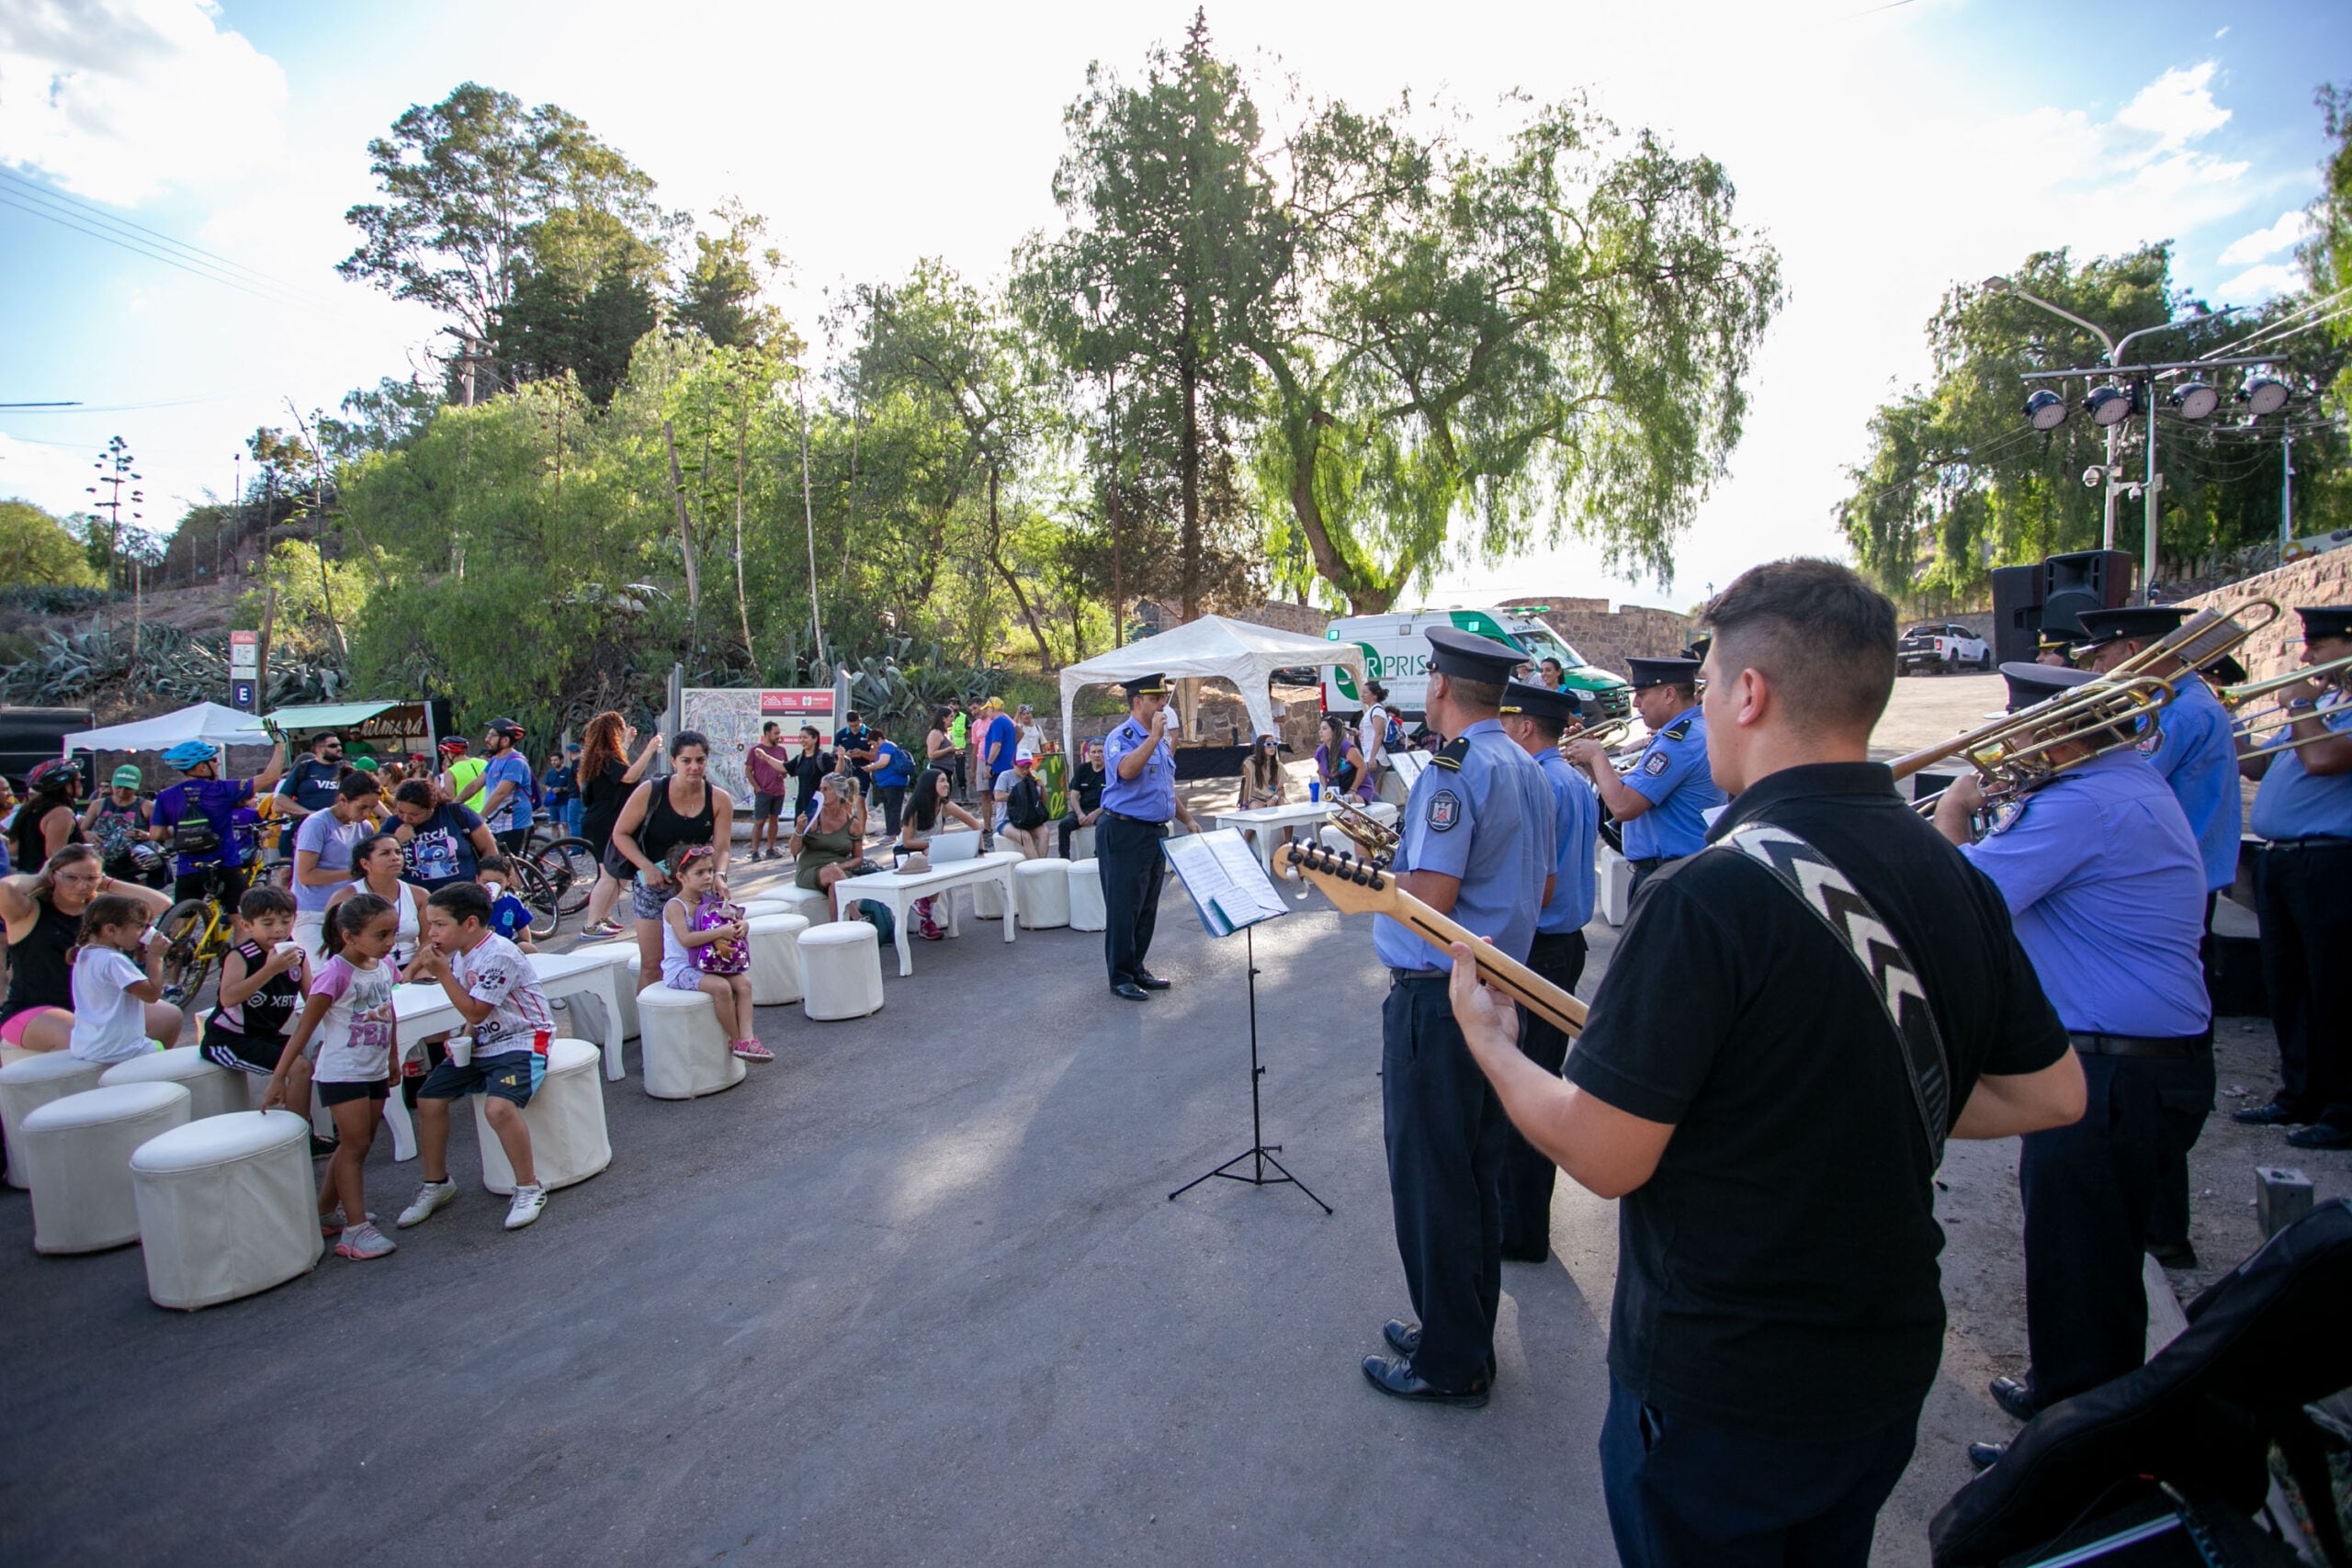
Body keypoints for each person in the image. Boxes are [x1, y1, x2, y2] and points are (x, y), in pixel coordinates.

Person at [1448, 560, 2083, 1562]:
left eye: (1702, 690)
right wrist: (1860, 1090)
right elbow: (2050, 1091)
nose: (1699, 712)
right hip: (1882, 1355)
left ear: (1749, 693)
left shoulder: (1707, 895)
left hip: (1725, 1379)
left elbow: (1605, 1157)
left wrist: (1493, 1046)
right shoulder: (1947, 868)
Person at [1934, 660, 2207, 1432]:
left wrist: (1955, 812)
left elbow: (1963, 905)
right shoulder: (2128, 783)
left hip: (2113, 1074)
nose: (2008, 742)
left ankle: (2072, 1450)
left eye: (2020, 726)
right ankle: (2080, 1406)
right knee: (2097, 1268)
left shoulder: (2083, 803)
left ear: (2057, 733)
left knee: (2081, 1271)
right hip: (2141, 1066)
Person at [1358, 628, 1555, 1409]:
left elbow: (1431, 896)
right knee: (1473, 1175)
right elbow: (1534, 888)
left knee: (1432, 1181)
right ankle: (1460, 1329)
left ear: (1440, 686)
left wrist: (1375, 880)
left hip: (1439, 1001)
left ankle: (1450, 1360)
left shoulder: (1457, 769)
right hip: (1497, 992)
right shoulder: (1523, 763)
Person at [2074, 604, 2240, 1265]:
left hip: (2166, 895)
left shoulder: (2179, 711)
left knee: (2152, 1059)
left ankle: (2162, 1226)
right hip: (2175, 890)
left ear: (2137, 649)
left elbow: (2112, 778)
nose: (2097, 667)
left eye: (2104, 655)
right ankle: (2160, 1224)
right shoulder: (2184, 704)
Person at [2233, 604, 2352, 1150]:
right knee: (2289, 985)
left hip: (2332, 859)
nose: (2305, 659)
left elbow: (2324, 758)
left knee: (2335, 986)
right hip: (2282, 858)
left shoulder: (2322, 708)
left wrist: (2302, 703)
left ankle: (2344, 1109)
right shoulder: (2326, 702)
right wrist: (2227, 727)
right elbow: (2262, 765)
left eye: (2318, 649)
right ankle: (2298, 1094)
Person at [1493, 678, 1600, 1263]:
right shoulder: (1574, 780)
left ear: (1525, 726)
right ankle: (1527, 1220)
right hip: (1567, 942)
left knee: (1524, 1093)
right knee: (1541, 1079)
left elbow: (1537, 882)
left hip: (1540, 948)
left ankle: (1522, 1229)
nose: (1503, 730)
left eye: (1508, 721)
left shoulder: (1538, 781)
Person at [396, 881, 558, 1233]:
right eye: (429, 924)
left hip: (524, 1038)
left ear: (469, 923)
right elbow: (474, 1020)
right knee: (428, 1098)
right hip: (483, 1040)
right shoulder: (461, 953)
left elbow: (475, 1011)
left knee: (498, 1108)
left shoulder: (497, 953)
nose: (431, 933)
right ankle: (437, 1183)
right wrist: (464, 1042)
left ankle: (529, 1187)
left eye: (439, 925)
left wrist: (440, 974)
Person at [266, 894, 401, 1261]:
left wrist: (392, 1057)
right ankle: (355, 1230)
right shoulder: (335, 974)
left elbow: (388, 1012)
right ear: (349, 936)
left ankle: (325, 1211)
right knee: (355, 1147)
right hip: (343, 1072)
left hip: (372, 1068)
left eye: (393, 933)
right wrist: (279, 1078)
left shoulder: (383, 966)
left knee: (359, 1143)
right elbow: (304, 1030)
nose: (390, 943)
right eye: (381, 935)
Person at [1566, 655, 1724, 894]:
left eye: (1642, 694)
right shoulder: (1688, 731)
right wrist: (1590, 761)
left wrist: (1597, 756)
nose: (1636, 704)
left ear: (1669, 694)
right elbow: (1630, 791)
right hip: (1679, 872)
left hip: (1670, 876)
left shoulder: (1677, 744)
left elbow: (1623, 806)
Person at [0, 845, 178, 1052]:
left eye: (89, 879)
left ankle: (137, 1076)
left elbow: (160, 903)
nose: (81, 886)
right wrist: (41, 877)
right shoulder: (29, 910)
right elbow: (5, 889)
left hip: (97, 1006)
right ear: (54, 875)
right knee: (81, 1039)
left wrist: (105, 882)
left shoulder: (99, 911)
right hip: (34, 1007)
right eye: (71, 878)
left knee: (168, 1017)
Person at [1096, 675, 1200, 1000]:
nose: (1162, 705)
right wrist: (1154, 738)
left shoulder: (1158, 739)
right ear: (1136, 702)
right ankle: (1120, 976)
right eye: (1156, 699)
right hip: (1124, 830)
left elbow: (1164, 787)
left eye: (1164, 699)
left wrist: (1187, 819)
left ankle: (1137, 966)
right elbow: (1127, 771)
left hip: (1154, 833)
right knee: (1123, 906)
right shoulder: (1122, 737)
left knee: (1146, 906)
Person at [607, 729, 733, 983]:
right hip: (654, 882)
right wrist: (645, 866)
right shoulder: (651, 791)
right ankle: (648, 1021)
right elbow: (620, 834)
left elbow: (722, 848)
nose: (694, 767)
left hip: (695, 886)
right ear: (674, 762)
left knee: (702, 958)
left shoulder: (719, 799)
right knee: (653, 965)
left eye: (700, 760)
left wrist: (719, 875)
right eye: (686, 761)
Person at [150, 736, 288, 909]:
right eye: (213, 760)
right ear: (201, 767)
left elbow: (157, 834)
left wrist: (182, 829)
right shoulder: (222, 789)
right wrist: (280, 746)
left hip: (188, 867)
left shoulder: (165, 796)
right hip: (225, 863)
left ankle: (179, 935)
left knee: (182, 918)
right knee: (242, 917)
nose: (217, 764)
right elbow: (270, 777)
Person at [657, 844, 767, 1062]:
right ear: (681, 877)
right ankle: (736, 1040)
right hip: (681, 969)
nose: (707, 877)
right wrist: (719, 932)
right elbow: (686, 940)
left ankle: (748, 1038)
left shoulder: (709, 901)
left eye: (709, 871)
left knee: (744, 984)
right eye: (699, 873)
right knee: (721, 987)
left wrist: (742, 926)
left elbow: (731, 922)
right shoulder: (675, 906)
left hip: (708, 963)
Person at [199, 885, 309, 1087]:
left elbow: (312, 997)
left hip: (267, 1035)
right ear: (247, 925)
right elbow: (228, 998)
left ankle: (307, 1114)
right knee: (298, 1067)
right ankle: (298, 1119)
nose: (279, 929)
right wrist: (270, 970)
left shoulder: (298, 955)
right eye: (268, 923)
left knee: (319, 1057)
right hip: (230, 1039)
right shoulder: (242, 956)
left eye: (286, 922)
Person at [576, 712, 662, 939]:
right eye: (621, 728)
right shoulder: (606, 757)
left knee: (619, 873)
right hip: (605, 822)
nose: (625, 730)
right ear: (612, 731)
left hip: (606, 819)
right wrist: (649, 749)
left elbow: (617, 775)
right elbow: (628, 777)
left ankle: (602, 916)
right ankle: (591, 924)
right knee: (608, 874)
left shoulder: (602, 757)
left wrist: (626, 744)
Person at [66, 893, 169, 1064]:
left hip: (88, 1046)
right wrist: (156, 957)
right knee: (162, 1052)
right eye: (139, 927)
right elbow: (152, 995)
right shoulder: (113, 961)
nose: (143, 933)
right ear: (111, 929)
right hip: (121, 1050)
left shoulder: (84, 953)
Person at [290, 772, 383, 959]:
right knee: (320, 970)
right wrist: (354, 873)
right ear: (342, 800)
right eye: (362, 807)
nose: (366, 814)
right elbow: (306, 875)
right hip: (313, 913)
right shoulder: (317, 824)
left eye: (372, 808)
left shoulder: (364, 827)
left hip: (348, 913)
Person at [897, 767, 984, 940]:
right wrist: (934, 844)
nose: (946, 784)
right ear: (930, 785)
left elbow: (975, 825)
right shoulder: (914, 806)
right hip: (906, 852)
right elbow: (906, 841)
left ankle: (926, 919)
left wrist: (981, 851)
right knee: (934, 854)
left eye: (947, 780)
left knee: (938, 858)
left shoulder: (945, 806)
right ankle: (925, 914)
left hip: (930, 851)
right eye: (942, 781)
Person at [329, 831, 426, 976]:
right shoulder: (346, 897)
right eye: (385, 853)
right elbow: (338, 943)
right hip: (365, 969)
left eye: (398, 852)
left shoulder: (420, 895)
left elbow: (429, 941)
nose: (395, 858)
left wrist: (409, 971)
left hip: (414, 965)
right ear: (365, 863)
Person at [388, 777, 494, 893]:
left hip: (465, 893)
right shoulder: (393, 824)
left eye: (414, 814)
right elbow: (375, 859)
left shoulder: (456, 813)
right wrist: (396, 841)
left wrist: (488, 882)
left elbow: (489, 849)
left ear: (431, 808)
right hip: (419, 898)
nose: (406, 818)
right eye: (400, 812)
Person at [789, 773, 871, 919]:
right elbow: (794, 851)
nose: (821, 793)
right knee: (835, 875)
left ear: (839, 793)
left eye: (826, 789)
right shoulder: (813, 817)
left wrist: (842, 867)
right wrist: (798, 831)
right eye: (821, 789)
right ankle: (858, 917)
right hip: (810, 871)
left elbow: (858, 859)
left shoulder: (853, 823)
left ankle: (835, 930)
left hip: (839, 871)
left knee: (835, 887)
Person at [82, 765, 164, 887]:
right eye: (118, 787)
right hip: (103, 862)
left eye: (128, 788)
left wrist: (146, 835)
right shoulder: (98, 804)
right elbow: (82, 830)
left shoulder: (147, 806)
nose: (122, 792)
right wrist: (87, 833)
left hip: (133, 865)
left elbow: (160, 836)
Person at [463, 718, 535, 854]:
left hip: (513, 822)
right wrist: (453, 804)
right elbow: (474, 785)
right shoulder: (495, 760)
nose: (486, 739)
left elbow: (501, 793)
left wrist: (480, 818)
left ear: (505, 740)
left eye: (491, 735)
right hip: (497, 821)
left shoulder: (515, 762)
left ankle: (518, 876)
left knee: (504, 865)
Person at [13, 758, 85, 872]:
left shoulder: (31, 809)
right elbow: (55, 857)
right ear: (66, 785)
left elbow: (14, 849)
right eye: (80, 780)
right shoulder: (61, 813)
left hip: (28, 877)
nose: (82, 783)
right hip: (48, 884)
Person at [1233, 734, 1294, 859]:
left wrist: (1274, 798)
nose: (1272, 747)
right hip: (1256, 797)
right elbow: (1247, 785)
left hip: (1273, 797)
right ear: (1261, 746)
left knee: (1287, 808)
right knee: (1257, 811)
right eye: (1269, 744)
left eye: (1274, 744)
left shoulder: (1278, 766)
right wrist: (1244, 804)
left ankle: (1288, 842)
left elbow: (1280, 787)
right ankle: (1244, 843)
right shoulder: (1250, 763)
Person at [744, 720, 794, 863]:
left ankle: (770, 849)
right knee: (759, 821)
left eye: (779, 733)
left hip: (779, 790)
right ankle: (754, 851)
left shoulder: (781, 750)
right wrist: (757, 788)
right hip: (763, 791)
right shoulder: (756, 750)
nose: (778, 736)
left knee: (774, 820)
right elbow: (748, 771)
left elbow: (785, 768)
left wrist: (783, 775)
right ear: (767, 734)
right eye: (776, 733)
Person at [274, 731, 348, 822]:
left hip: (338, 824)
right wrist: (308, 813)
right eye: (333, 746)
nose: (339, 748)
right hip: (306, 824)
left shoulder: (346, 768)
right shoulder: (304, 767)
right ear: (319, 749)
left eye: (339, 745)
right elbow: (281, 799)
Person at [473, 856, 538, 952]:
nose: (491, 886)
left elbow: (522, 927)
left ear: (508, 881)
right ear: (478, 880)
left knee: (528, 948)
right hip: (479, 946)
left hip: (506, 944)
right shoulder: (471, 901)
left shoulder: (512, 902)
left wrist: (526, 945)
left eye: (498, 882)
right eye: (486, 882)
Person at [865, 723, 915, 840]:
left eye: (873, 744)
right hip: (889, 782)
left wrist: (871, 767)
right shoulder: (889, 746)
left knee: (893, 808)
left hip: (893, 782)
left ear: (878, 739)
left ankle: (892, 833)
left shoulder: (886, 747)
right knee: (890, 807)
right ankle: (892, 832)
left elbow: (884, 762)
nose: (873, 747)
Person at [1057, 739, 1106, 859]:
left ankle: (1097, 859)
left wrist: (1096, 813)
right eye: (1094, 752)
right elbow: (1073, 795)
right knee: (1064, 824)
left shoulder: (1111, 771)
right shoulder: (1082, 769)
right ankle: (1064, 859)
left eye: (1100, 752)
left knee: (1105, 825)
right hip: (1083, 809)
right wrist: (1079, 814)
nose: (1097, 755)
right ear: (1089, 754)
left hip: (1102, 810)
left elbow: (1113, 799)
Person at [1315, 714, 1374, 806]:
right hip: (1337, 789)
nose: (1320, 732)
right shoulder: (1320, 752)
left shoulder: (1348, 748)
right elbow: (1321, 773)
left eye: (1324, 729)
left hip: (1358, 788)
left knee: (1352, 804)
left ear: (1334, 731)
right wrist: (1327, 789)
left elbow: (1362, 768)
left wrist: (1352, 790)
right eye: (1320, 729)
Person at [785, 725, 832, 829]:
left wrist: (842, 759)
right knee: (801, 834)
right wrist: (765, 757)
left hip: (818, 804)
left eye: (805, 737)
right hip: (802, 803)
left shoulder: (824, 758)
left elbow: (836, 773)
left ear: (815, 738)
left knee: (817, 834)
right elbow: (784, 767)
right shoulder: (799, 759)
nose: (802, 740)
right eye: (800, 737)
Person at [1358, 681, 1393, 798]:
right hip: (1370, 756)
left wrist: (1373, 757)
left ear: (1375, 695)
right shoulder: (1370, 711)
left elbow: (1379, 733)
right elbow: (1370, 733)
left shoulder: (1377, 711)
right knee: (1370, 789)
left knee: (1366, 788)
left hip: (1376, 757)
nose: (1362, 695)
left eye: (1366, 692)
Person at [978, 700, 1018, 800]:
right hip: (1008, 765)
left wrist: (989, 764)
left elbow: (996, 744)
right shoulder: (1007, 722)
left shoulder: (997, 722)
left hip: (999, 768)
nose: (986, 712)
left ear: (992, 708)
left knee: (998, 798)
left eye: (987, 709)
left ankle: (1000, 816)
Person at [544, 746, 582, 840]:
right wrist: (548, 789)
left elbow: (572, 787)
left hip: (564, 802)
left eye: (555, 760)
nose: (553, 762)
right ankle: (554, 846)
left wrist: (560, 789)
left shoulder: (568, 772)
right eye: (552, 761)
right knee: (553, 824)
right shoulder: (550, 773)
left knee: (566, 824)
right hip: (553, 803)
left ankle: (568, 844)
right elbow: (546, 784)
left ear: (561, 760)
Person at [832, 711, 876, 795]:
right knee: (846, 800)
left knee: (860, 800)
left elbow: (875, 755)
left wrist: (862, 753)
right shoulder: (841, 734)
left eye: (856, 725)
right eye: (851, 726)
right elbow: (834, 753)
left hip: (863, 770)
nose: (854, 728)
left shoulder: (869, 733)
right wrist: (846, 755)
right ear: (848, 723)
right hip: (845, 771)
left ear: (860, 720)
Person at [944, 698, 970, 802]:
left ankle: (963, 795)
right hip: (946, 750)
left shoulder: (963, 717)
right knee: (947, 772)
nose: (953, 706)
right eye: (951, 704)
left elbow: (967, 733)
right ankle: (947, 795)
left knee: (960, 772)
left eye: (955, 704)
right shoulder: (944, 717)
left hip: (959, 749)